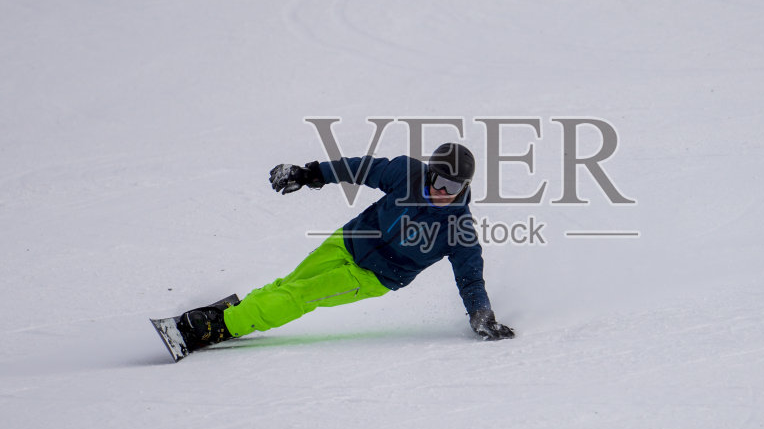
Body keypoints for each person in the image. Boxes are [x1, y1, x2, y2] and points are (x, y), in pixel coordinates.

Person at [168, 142, 516, 353]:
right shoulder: (406, 174)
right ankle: (242, 310)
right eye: (439, 180)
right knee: (290, 284)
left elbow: (471, 278)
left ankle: (224, 325)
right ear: (429, 174)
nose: (444, 191)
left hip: (373, 277)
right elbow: (361, 169)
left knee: (300, 297)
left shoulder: (459, 230)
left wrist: (481, 315)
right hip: (348, 240)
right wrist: (310, 173)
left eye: (454, 186)